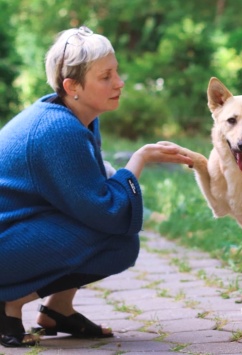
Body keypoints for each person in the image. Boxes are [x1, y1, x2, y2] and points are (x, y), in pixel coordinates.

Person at [0, 26, 193, 348]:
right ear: (72, 85)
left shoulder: (75, 116)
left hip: (15, 232)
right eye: (105, 77)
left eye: (116, 72)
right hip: (7, 241)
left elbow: (89, 193)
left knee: (111, 234)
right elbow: (109, 212)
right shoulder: (60, 130)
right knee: (118, 238)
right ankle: (11, 302)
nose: (119, 83)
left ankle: (57, 310)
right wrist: (139, 159)